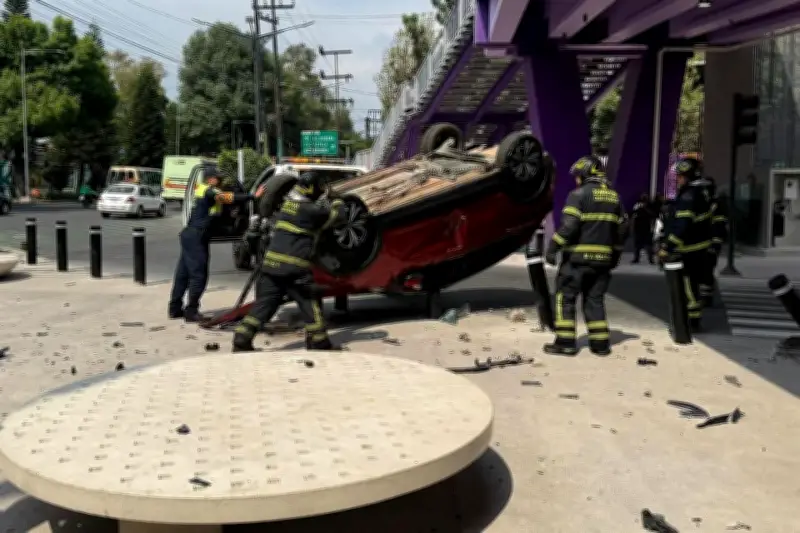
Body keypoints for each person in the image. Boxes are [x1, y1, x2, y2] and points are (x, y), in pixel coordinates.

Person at [232, 171, 347, 352]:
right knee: (310, 303)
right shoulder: (310, 211)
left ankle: (242, 337)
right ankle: (319, 342)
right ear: (312, 189)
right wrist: (337, 199)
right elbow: (339, 218)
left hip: (271, 265)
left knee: (265, 304)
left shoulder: (288, 205)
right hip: (294, 268)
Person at [544, 155, 628, 357]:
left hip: (577, 261)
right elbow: (623, 228)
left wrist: (553, 247)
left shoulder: (578, 195)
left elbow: (569, 226)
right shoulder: (615, 197)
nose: (576, 180)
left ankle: (565, 343)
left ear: (585, 174)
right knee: (594, 300)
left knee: (565, 298)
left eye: (578, 176)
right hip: (603, 263)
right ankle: (600, 345)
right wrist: (615, 253)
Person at [169, 166, 265, 322]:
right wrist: (252, 196)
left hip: (190, 235)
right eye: (217, 178)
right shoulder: (209, 191)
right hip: (196, 237)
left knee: (183, 274)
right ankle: (191, 311)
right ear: (210, 179)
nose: (220, 181)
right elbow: (227, 197)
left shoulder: (202, 190)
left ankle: (174, 308)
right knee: (199, 275)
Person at [658, 157, 713, 330]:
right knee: (692, 286)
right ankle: (693, 320)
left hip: (689, 250)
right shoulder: (700, 193)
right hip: (698, 248)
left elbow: (682, 225)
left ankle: (690, 323)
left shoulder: (688, 196)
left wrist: (667, 246)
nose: (678, 180)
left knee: (688, 286)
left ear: (689, 176)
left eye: (681, 176)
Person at [631, 193, 655, 264]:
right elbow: (633, 214)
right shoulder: (637, 205)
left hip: (646, 228)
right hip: (638, 228)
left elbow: (653, 215)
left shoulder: (650, 205)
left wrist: (645, 208)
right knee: (637, 245)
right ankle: (636, 258)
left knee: (649, 245)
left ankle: (651, 259)